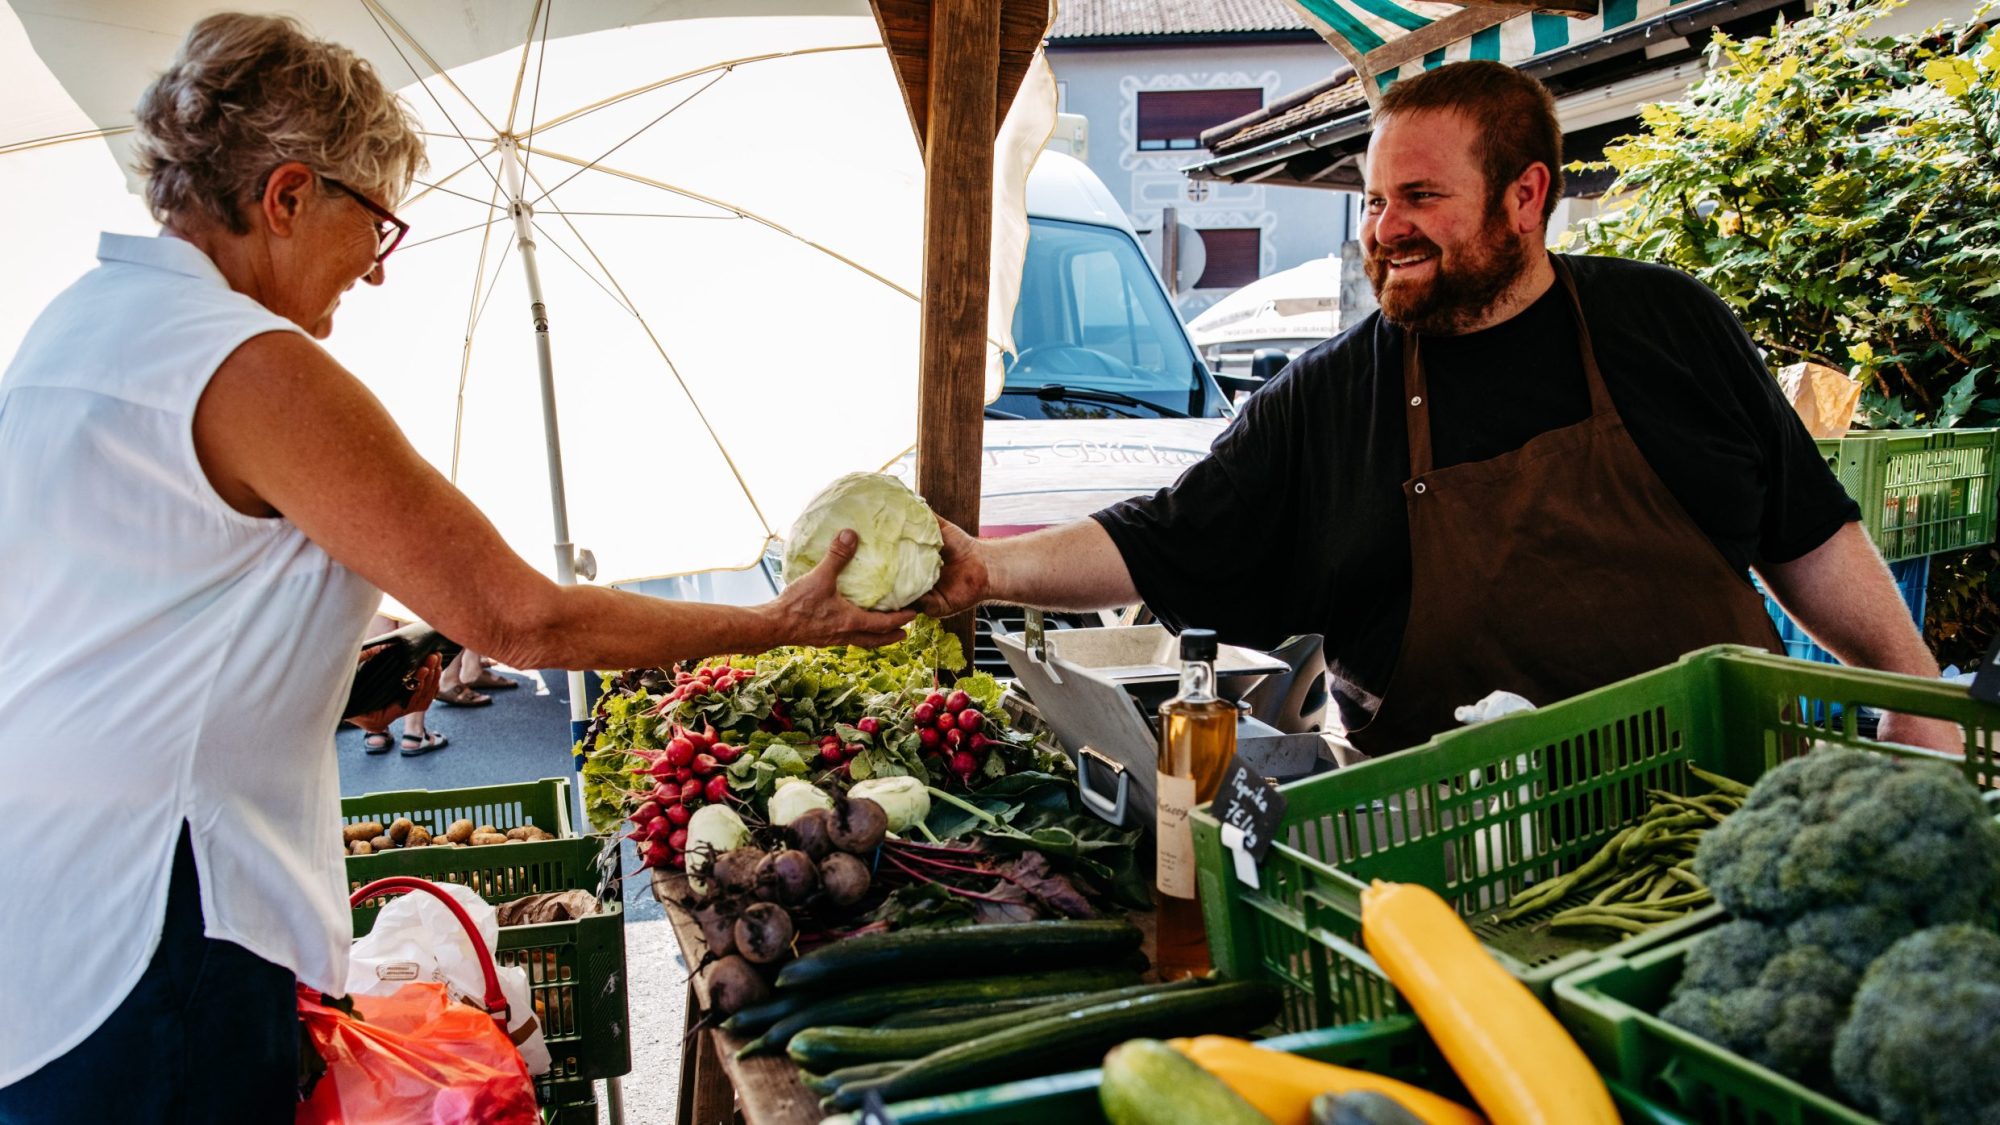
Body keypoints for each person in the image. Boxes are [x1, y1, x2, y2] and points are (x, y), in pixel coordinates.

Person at [0, 13, 909, 1120]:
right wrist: (779, 623)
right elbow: (524, 621)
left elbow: (128, 627)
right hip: (160, 914)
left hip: (45, 906)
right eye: (377, 224)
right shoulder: (246, 360)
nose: (379, 271)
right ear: (288, 196)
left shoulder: (76, 331)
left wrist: (341, 687)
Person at [921, 60, 1958, 757]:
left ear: (1525, 196)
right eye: (1374, 201)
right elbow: (1161, 537)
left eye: (1420, 197)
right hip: (1451, 848)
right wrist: (985, 569)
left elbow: (1804, 531)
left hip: (1716, 805)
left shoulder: (1664, 324)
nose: (1385, 228)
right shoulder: (1329, 397)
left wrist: (1909, 687)